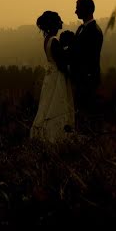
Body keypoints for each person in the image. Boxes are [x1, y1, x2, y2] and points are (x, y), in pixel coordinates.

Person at [30, 10, 75, 142]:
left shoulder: (47, 39)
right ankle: (55, 136)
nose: (61, 22)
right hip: (57, 77)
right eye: (59, 20)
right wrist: (70, 48)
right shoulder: (54, 41)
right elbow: (61, 61)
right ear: (54, 23)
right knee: (56, 105)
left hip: (50, 77)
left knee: (47, 104)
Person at [67, 0, 103, 111]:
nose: (75, 11)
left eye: (78, 8)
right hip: (80, 79)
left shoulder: (94, 31)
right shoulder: (82, 28)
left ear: (86, 9)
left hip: (87, 80)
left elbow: (88, 56)